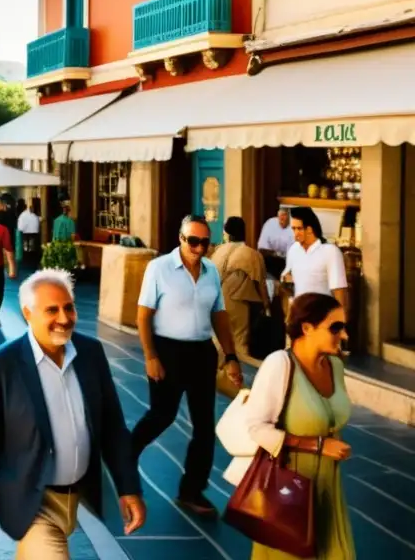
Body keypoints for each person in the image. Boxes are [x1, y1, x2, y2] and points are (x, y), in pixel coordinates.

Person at [0, 270, 145, 557]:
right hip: (33, 500)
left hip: (78, 495)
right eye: (52, 310)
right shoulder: (1, 365)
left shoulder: (91, 352)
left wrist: (128, 487)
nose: (64, 318)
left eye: (68, 307)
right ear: (27, 313)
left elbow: (113, 427)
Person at [132, 215, 243, 517]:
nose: (198, 247)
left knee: (205, 426)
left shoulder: (210, 271)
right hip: (167, 350)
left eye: (204, 242)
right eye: (192, 241)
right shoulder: (159, 268)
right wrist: (151, 356)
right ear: (180, 239)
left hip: (202, 353)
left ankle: (191, 491)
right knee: (161, 416)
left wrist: (231, 357)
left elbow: (219, 314)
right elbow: (143, 315)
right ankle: (122, 458)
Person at [238, 293, 355, 559]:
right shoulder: (280, 364)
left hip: (328, 486)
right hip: (290, 488)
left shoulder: (335, 366)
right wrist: (319, 445)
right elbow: (256, 426)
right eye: (335, 327)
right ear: (307, 328)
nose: (344, 335)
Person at [210, 216, 271, 367]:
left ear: (227, 234)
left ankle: (217, 377)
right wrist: (267, 306)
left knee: (218, 340)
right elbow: (261, 285)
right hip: (236, 303)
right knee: (239, 342)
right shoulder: (252, 254)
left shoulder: (217, 251)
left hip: (214, 300)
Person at [283, 207, 349, 311]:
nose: (295, 234)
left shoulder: (330, 252)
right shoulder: (293, 250)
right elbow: (287, 281)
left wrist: (341, 323)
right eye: (293, 229)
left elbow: (339, 291)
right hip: (299, 314)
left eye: (299, 229)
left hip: (322, 315)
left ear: (309, 229)